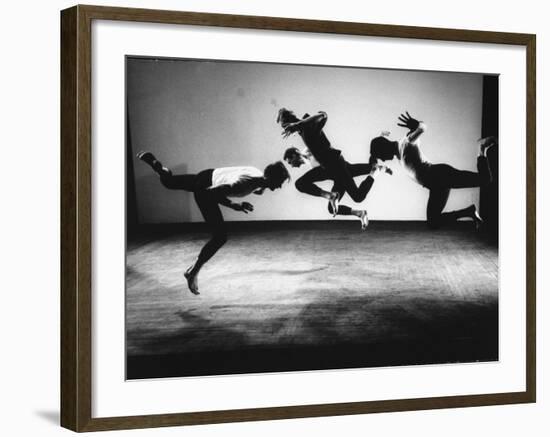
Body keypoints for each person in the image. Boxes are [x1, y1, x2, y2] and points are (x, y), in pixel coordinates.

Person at [137, 151, 290, 295]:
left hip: (207, 174)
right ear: (270, 178)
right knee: (220, 237)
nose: (279, 186)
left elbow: (257, 182)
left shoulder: (256, 172)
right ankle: (193, 272)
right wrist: (234, 205)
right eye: (279, 182)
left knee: (169, 182)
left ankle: (161, 168)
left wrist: (262, 188)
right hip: (205, 189)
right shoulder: (242, 186)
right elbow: (211, 192)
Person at [368, 112, 497, 229]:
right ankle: (469, 212)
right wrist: (373, 156)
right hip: (435, 186)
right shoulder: (398, 153)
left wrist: (418, 124)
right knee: (433, 222)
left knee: (485, 180)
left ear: (383, 149)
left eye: (381, 156)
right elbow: (379, 143)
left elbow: (422, 128)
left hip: (441, 175)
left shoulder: (406, 143)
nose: (383, 160)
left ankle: (482, 148)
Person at [277, 108, 380, 216]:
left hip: (335, 163)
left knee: (358, 197)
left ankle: (374, 172)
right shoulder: (302, 130)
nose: (286, 131)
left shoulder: (307, 126)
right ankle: (331, 196)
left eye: (285, 127)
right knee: (300, 184)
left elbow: (324, 115)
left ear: (289, 123)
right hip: (329, 168)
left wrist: (297, 124)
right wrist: (296, 126)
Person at [283, 146, 390, 230]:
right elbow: (353, 169)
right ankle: (360, 213)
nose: (291, 166)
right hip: (338, 176)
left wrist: (298, 124)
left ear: (294, 155)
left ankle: (373, 174)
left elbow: (318, 142)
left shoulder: (309, 149)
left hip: (341, 169)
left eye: (290, 162)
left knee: (358, 197)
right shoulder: (308, 161)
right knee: (331, 208)